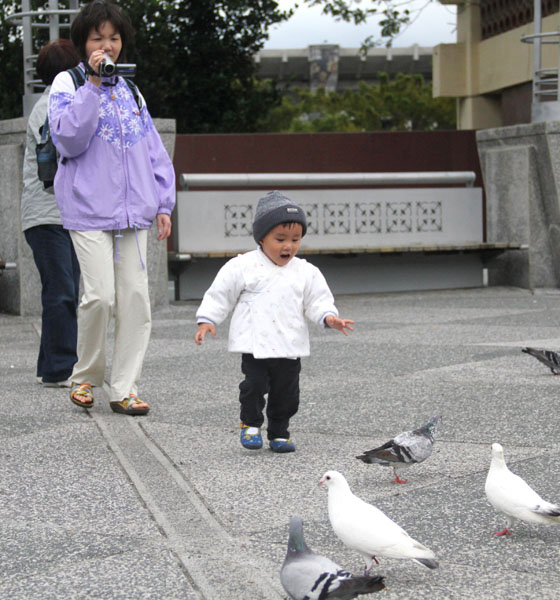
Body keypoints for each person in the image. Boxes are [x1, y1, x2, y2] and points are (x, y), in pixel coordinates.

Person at [48, 0, 175, 414]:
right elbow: (68, 138)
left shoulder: (132, 89)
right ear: (83, 43)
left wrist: (163, 202)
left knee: (137, 298)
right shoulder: (68, 84)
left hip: (134, 212)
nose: (107, 45)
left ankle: (124, 388)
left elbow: (153, 150)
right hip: (87, 210)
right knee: (99, 297)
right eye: (98, 38)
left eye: (114, 37)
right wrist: (93, 87)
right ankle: (84, 377)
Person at [194, 191, 354, 453]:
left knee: (287, 393)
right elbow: (221, 293)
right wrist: (207, 320)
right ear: (261, 237)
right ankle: (251, 423)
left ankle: (280, 432)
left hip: (289, 345)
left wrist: (329, 317)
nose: (288, 246)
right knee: (254, 386)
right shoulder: (243, 266)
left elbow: (317, 300)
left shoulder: (305, 271)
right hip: (255, 344)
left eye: (295, 240)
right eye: (280, 239)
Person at [22, 39, 82, 388]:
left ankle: (53, 364)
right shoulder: (51, 106)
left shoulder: (63, 101)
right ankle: (62, 365)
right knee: (61, 290)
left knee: (66, 289)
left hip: (64, 215)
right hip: (46, 215)